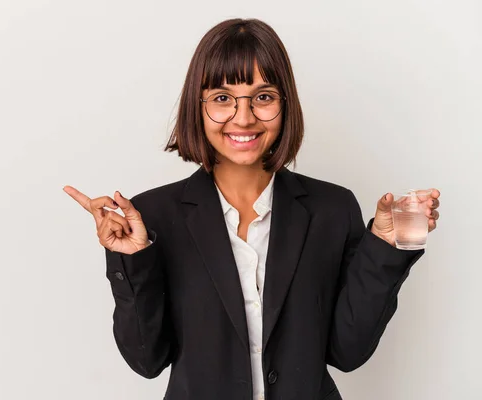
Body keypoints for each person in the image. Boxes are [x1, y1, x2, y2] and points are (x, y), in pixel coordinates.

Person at [63, 18, 441, 400]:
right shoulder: (154, 216)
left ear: (284, 103)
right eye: (222, 98)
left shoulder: (332, 208)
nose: (243, 118)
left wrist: (384, 248)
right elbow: (147, 360)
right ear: (199, 106)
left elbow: (347, 352)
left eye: (263, 97)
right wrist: (131, 259)